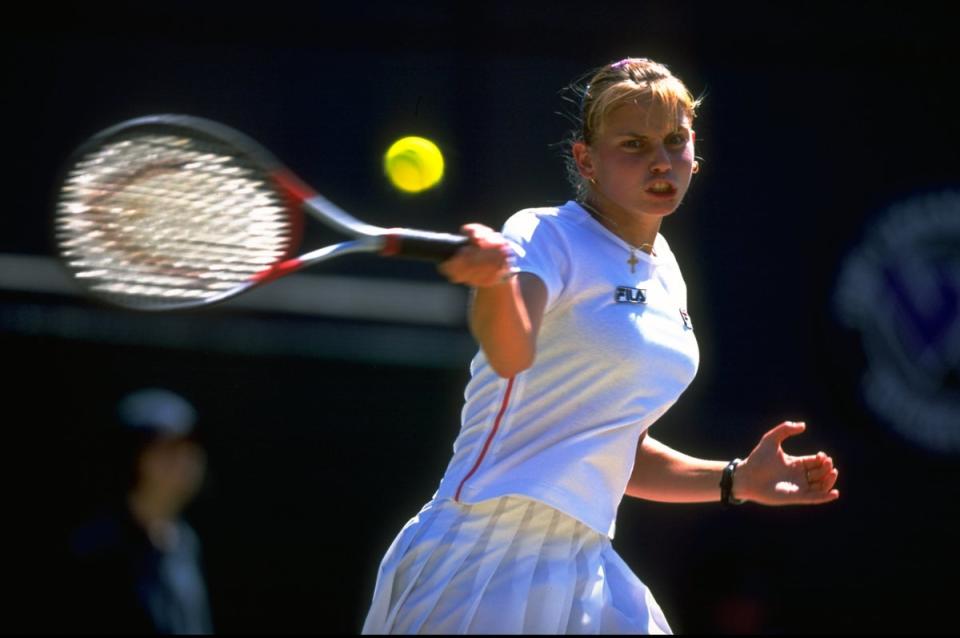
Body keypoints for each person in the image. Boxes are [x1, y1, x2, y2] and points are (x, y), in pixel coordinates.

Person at [362, 57, 840, 634]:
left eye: (674, 140)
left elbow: (615, 448)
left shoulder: (666, 273)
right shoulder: (544, 234)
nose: (661, 161)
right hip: (480, 555)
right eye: (634, 144)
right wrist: (493, 285)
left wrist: (735, 480)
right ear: (585, 159)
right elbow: (512, 354)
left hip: (583, 559)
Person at [66, 388, 214, 635]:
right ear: (132, 457)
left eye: (189, 447)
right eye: (167, 449)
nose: (183, 461)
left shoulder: (185, 542)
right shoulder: (96, 549)